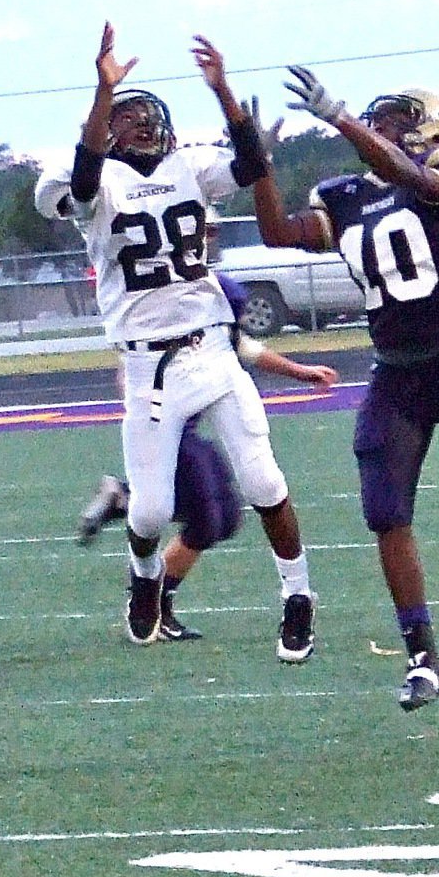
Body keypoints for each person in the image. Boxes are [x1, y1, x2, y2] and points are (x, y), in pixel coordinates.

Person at [228, 58, 439, 710]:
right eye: (379, 117)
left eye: (398, 117)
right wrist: (257, 161)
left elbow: (420, 184)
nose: (384, 124)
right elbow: (277, 233)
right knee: (384, 511)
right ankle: (423, 657)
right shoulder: (348, 198)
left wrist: (342, 120)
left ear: (434, 126)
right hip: (396, 372)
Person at [34, 22, 317, 662]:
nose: (140, 124)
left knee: (262, 479)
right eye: (124, 117)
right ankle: (144, 576)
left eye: (143, 114)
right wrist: (102, 90)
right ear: (106, 129)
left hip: (211, 349)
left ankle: (298, 595)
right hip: (147, 368)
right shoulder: (94, 179)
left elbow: (249, 164)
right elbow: (78, 183)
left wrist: (223, 91)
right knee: (153, 511)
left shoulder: (189, 163)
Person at [78, 269, 339, 643]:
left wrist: (302, 373)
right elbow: (137, 367)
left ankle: (125, 505)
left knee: (225, 517)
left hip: (190, 426)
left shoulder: (206, 309)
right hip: (173, 431)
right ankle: (154, 588)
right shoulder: (182, 299)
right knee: (204, 518)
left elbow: (245, 348)